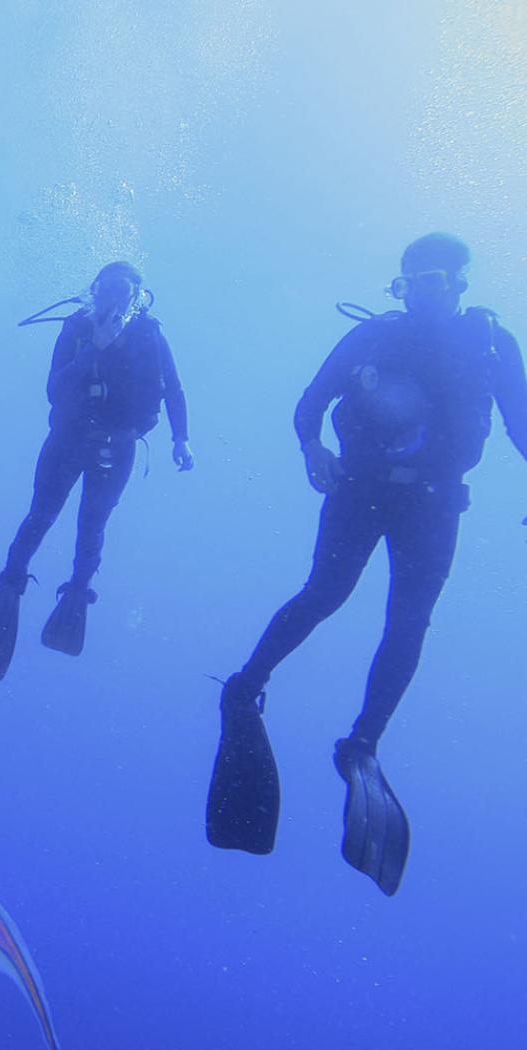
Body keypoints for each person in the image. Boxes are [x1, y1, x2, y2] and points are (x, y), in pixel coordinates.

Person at [206, 233, 527, 896]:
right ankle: (245, 685)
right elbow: (309, 402)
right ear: (399, 286)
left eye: (436, 280)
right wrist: (310, 449)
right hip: (359, 489)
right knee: (323, 594)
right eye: (411, 281)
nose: (422, 292)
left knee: (409, 624)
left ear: (462, 282)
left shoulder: (491, 343)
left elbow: (523, 423)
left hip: (435, 506)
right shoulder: (375, 337)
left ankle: (362, 746)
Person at [0, 261, 193, 681]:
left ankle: (77, 592)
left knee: (92, 525)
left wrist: (181, 438)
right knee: (41, 515)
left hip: (118, 446)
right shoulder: (76, 328)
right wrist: (95, 348)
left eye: (124, 291)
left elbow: (173, 387)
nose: (114, 299)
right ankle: (10, 583)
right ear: (95, 290)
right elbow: (54, 389)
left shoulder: (149, 334)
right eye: (108, 289)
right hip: (68, 440)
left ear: (136, 298)